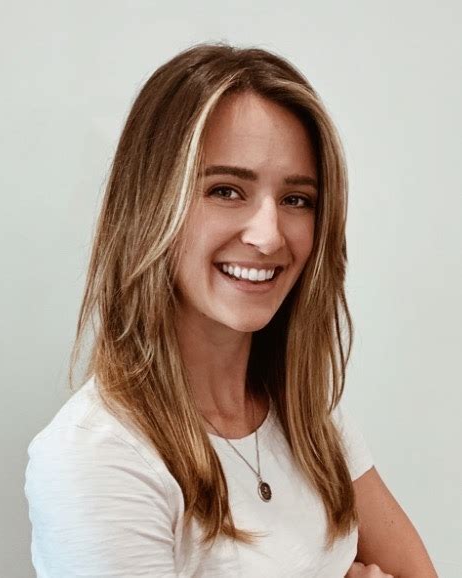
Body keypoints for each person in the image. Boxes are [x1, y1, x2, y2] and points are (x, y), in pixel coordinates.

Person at [24, 43, 437, 577]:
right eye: (226, 190)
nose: (269, 236)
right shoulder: (96, 459)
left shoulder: (311, 419)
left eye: (296, 199)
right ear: (151, 204)